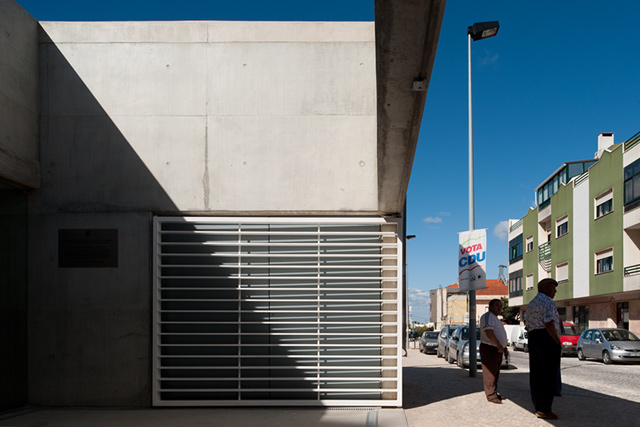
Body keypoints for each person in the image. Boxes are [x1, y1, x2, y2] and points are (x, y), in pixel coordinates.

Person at [524, 278, 561, 420]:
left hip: (534, 337)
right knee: (548, 375)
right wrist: (556, 341)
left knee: (536, 374)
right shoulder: (548, 302)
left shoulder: (531, 303)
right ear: (544, 288)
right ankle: (545, 409)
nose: (555, 292)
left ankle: (538, 407)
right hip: (546, 338)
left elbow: (527, 325)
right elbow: (549, 323)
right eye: (553, 288)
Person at [479, 299, 509, 404]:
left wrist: (504, 348)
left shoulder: (495, 318)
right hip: (490, 348)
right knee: (490, 373)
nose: (499, 308)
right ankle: (491, 395)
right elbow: (489, 331)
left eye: (501, 306)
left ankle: (494, 392)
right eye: (497, 305)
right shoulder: (488, 316)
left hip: (497, 349)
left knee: (495, 372)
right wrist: (498, 345)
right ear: (490, 306)